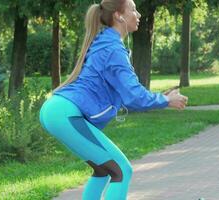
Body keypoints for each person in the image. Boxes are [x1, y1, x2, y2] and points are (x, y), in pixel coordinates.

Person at [39, 0, 188, 199]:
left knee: (103, 171)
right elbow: (134, 95)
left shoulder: (107, 43)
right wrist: (165, 100)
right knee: (121, 171)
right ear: (119, 15)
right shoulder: (113, 49)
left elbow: (127, 91)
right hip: (64, 114)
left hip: (57, 111)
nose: (138, 15)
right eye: (133, 10)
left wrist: (162, 97)